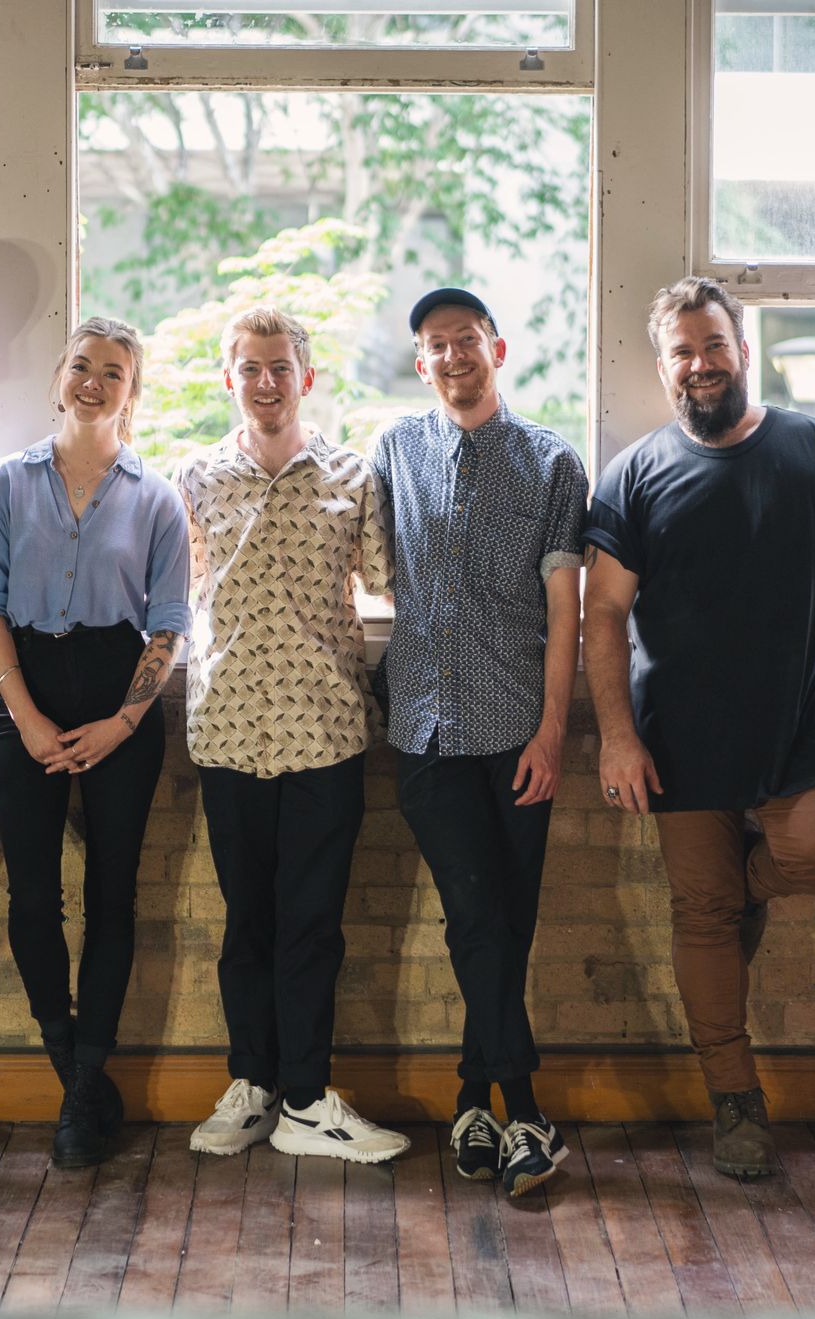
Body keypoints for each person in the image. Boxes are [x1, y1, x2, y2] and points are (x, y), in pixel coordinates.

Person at [582, 276, 815, 1180]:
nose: (700, 363)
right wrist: (615, 734)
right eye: (682, 351)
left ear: (743, 349)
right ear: (664, 366)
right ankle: (736, 1102)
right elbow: (602, 612)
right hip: (674, 746)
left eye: (713, 345)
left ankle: (743, 890)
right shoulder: (635, 472)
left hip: (801, 730)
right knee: (701, 914)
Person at [178, 306, 408, 1165]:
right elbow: (181, 594)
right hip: (229, 724)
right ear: (227, 377)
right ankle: (253, 1084)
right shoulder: (196, 476)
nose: (265, 382)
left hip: (326, 726)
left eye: (280, 367)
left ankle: (309, 1099)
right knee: (248, 921)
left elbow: (387, 584)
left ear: (305, 377)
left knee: (312, 922)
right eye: (250, 368)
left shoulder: (353, 473)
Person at [371, 288, 586, 1195]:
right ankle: (528, 1113)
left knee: (505, 923)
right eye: (435, 345)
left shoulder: (551, 463)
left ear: (495, 347)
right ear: (421, 363)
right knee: (476, 916)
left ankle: (471, 1099)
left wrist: (552, 733)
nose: (453, 355)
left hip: (514, 731)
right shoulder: (394, 450)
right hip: (422, 726)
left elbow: (566, 614)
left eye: (466, 340)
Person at [0, 317, 189, 1169]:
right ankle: (74, 1074)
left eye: (115, 372)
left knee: (113, 895)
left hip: (118, 691)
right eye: (82, 366)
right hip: (22, 685)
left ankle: (86, 1074)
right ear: (60, 377)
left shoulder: (156, 496)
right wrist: (20, 712)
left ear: (134, 392)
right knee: (32, 896)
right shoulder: (6, 485)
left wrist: (123, 721)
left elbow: (167, 624)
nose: (95, 382)